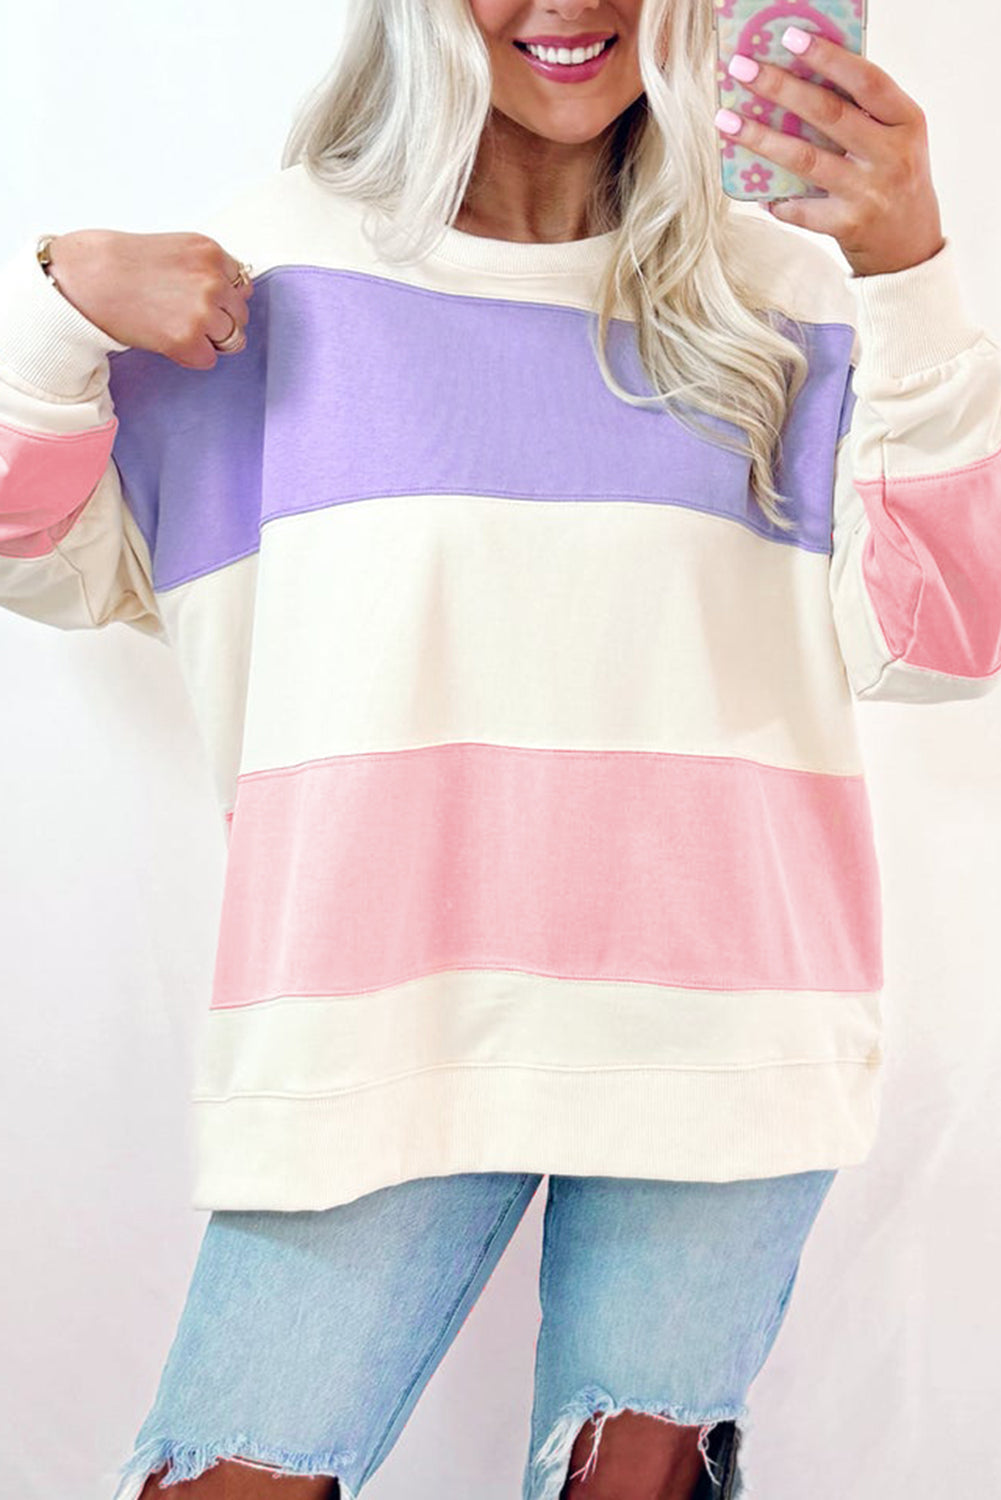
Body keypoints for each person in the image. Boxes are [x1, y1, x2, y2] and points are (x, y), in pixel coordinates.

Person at [1, 0, 998, 1496]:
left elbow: (942, 640)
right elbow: (46, 556)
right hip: (372, 1034)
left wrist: (909, 272)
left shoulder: (791, 290)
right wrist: (57, 303)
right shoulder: (267, 272)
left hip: (726, 1034)